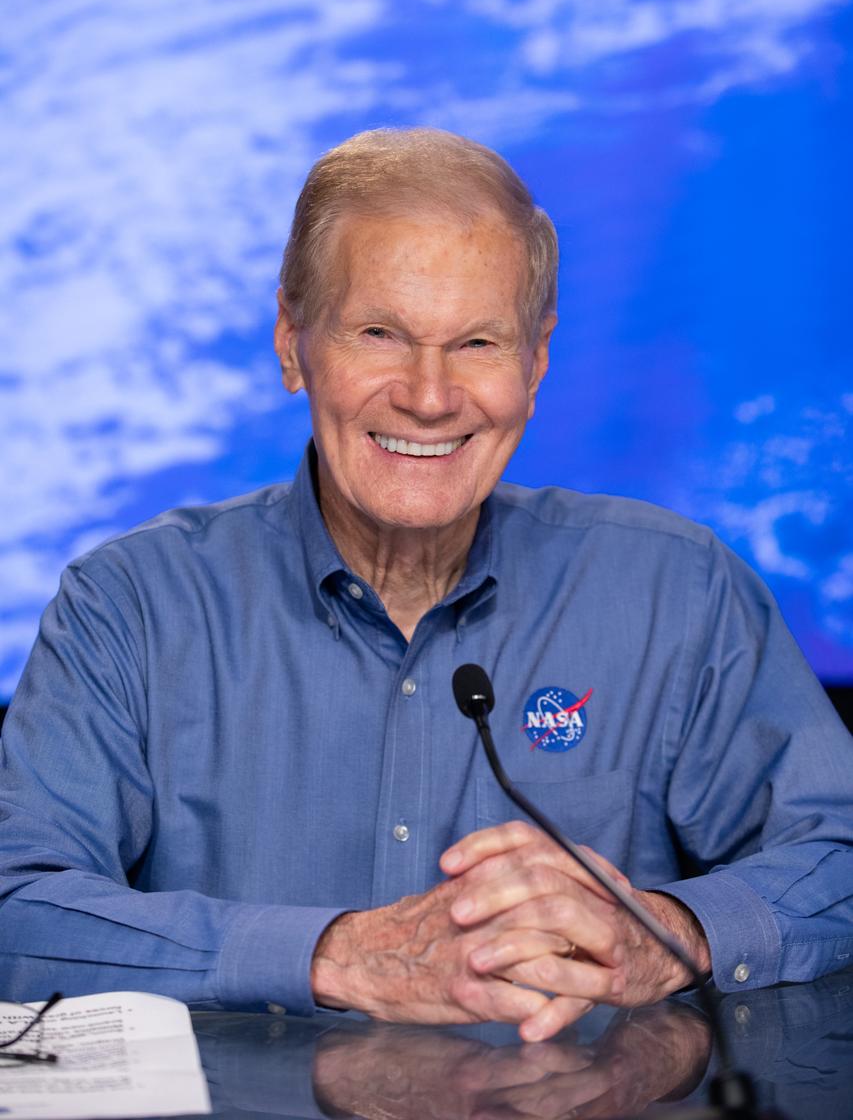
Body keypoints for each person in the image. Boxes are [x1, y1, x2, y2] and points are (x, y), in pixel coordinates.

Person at [0, 129, 850, 1043]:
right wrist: (340, 955)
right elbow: (18, 909)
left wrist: (666, 933)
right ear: (293, 343)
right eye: (379, 333)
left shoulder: (679, 590)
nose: (431, 396)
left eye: (478, 342)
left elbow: (836, 856)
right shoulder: (129, 605)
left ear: (536, 362)